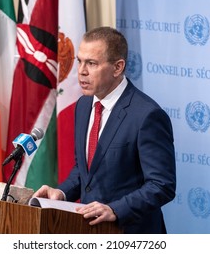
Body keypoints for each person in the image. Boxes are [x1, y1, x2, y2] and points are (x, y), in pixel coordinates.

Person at [33, 26, 176, 234]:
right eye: (79, 61)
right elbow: (85, 173)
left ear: (117, 68)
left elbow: (162, 185)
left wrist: (115, 209)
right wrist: (61, 193)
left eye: (91, 63)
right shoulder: (83, 106)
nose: (81, 71)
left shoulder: (147, 115)